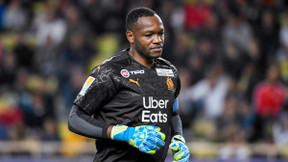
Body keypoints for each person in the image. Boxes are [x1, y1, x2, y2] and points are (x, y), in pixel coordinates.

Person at [68, 7, 190, 162]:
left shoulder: (169, 71)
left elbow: (173, 114)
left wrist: (178, 138)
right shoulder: (110, 71)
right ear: (131, 36)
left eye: (160, 33)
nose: (158, 40)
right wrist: (124, 133)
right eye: (149, 35)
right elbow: (75, 118)